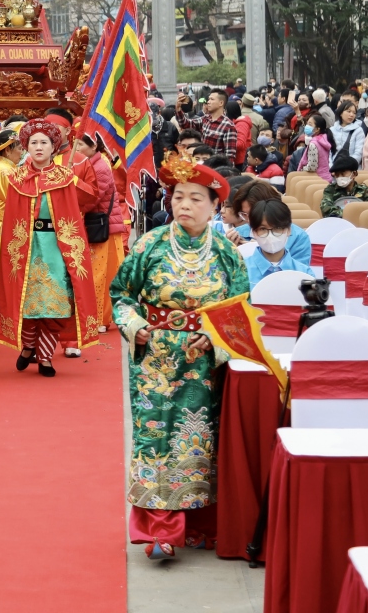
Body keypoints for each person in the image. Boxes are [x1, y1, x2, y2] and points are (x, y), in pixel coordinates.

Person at [111, 150, 247, 559]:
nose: (184, 205)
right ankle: (160, 532)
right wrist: (137, 328)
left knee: (203, 440)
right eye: (178, 197)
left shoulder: (227, 253)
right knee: (155, 438)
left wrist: (218, 338)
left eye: (195, 199)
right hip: (155, 360)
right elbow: (121, 297)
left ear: (215, 206)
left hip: (204, 363)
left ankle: (203, 526)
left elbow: (242, 308)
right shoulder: (149, 246)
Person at [0, 118, 99, 377]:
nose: (39, 147)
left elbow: (89, 199)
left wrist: (74, 180)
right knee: (27, 301)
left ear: (54, 147)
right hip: (27, 247)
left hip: (57, 247)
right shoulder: (16, 178)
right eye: (33, 143)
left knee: (56, 303)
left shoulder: (66, 176)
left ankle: (45, 357)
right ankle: (29, 345)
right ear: (26, 147)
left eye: (44, 143)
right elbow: (9, 217)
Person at [76, 133, 122, 332]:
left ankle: (99, 319)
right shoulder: (91, 164)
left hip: (104, 228)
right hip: (100, 226)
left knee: (101, 274)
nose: (76, 150)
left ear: (94, 146)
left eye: (79, 145)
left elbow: (93, 198)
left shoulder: (100, 167)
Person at [228, 179, 312, 262]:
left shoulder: (298, 237)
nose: (250, 220)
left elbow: (299, 273)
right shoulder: (237, 235)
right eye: (244, 215)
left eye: (254, 213)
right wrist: (227, 252)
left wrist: (263, 251)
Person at [245, 199, 314, 288]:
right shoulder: (241, 271)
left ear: (288, 230)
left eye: (277, 228)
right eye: (263, 229)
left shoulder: (304, 273)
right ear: (254, 232)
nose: (270, 235)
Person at [176, 90, 238, 160]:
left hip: (215, 168)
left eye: (212, 99)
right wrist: (178, 109)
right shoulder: (206, 119)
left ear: (221, 103)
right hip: (202, 164)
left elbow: (230, 156)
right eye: (209, 99)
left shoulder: (228, 126)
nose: (208, 102)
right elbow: (185, 124)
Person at [297, 113, 333, 181]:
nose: (307, 126)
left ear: (317, 129)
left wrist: (302, 169)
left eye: (310, 124)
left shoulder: (313, 144)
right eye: (307, 123)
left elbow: (312, 167)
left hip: (317, 179)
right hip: (326, 177)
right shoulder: (324, 140)